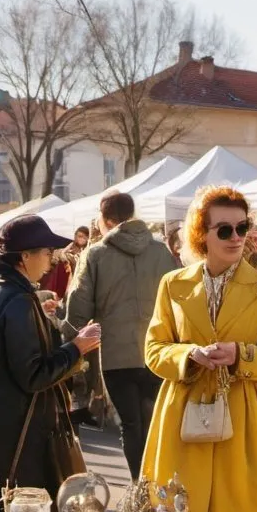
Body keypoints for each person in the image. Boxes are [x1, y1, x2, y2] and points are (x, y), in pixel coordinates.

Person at [142, 185, 257, 512]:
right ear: (201, 234)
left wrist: (241, 355)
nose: (235, 237)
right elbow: (154, 349)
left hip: (244, 415)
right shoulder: (172, 284)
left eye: (242, 228)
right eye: (224, 230)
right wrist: (189, 355)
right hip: (181, 412)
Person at [0, 216, 101, 506]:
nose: (51, 260)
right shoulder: (17, 300)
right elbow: (35, 375)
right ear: (24, 256)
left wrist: (42, 323)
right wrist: (76, 347)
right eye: (47, 253)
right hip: (21, 438)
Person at [65, 190, 179, 480]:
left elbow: (78, 309)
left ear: (106, 219)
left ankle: (139, 490)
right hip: (158, 349)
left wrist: (67, 341)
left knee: (131, 425)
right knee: (154, 423)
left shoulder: (96, 254)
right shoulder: (161, 252)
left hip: (117, 354)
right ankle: (158, 487)